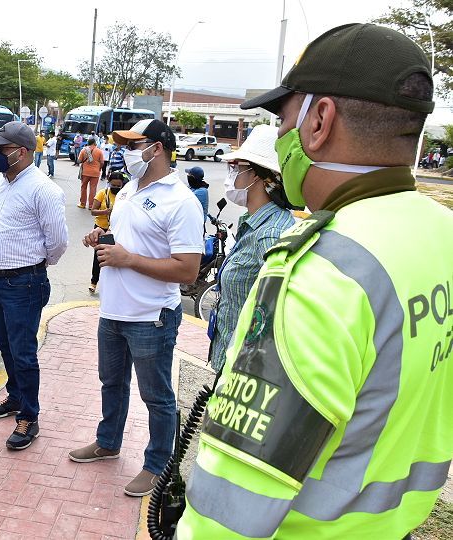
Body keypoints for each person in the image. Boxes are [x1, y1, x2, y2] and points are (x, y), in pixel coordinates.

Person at [177, 23, 453, 538]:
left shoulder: (319, 271)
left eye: (283, 119)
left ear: (319, 120)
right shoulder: (441, 232)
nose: (280, 138)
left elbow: (227, 515)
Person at [71, 118, 203, 497]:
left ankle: (159, 464)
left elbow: (187, 269)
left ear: (157, 148)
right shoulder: (129, 189)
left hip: (152, 317)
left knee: (156, 395)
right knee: (111, 383)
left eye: (133, 144)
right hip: (113, 310)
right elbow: (133, 239)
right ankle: (108, 442)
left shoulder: (181, 201)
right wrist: (103, 237)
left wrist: (128, 259)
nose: (125, 152)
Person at [0, 121, 68, 450]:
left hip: (24, 282)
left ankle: (29, 416)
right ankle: (15, 396)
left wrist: (35, 265)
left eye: (2, 149)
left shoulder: (44, 190)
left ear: (22, 152)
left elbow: (58, 241)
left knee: (24, 352)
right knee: (4, 344)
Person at [208, 124, 296, 373]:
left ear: (258, 175)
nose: (231, 174)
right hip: (232, 361)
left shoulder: (270, 235)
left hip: (246, 370)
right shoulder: (255, 223)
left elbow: (279, 314)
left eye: (236, 167)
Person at [88, 170, 126, 294]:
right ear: (108, 183)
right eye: (113, 185)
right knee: (99, 257)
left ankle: (111, 285)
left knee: (115, 257)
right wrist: (105, 212)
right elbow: (93, 211)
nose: (115, 188)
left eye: (118, 186)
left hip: (116, 230)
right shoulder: (102, 194)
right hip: (101, 229)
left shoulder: (124, 195)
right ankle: (94, 282)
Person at [77, 137, 104, 209]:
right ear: (94, 143)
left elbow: (79, 160)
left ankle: (82, 204)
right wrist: (99, 169)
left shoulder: (83, 150)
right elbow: (102, 162)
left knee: (83, 188)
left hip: (85, 172)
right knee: (93, 189)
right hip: (95, 173)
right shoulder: (99, 151)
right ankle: (91, 205)